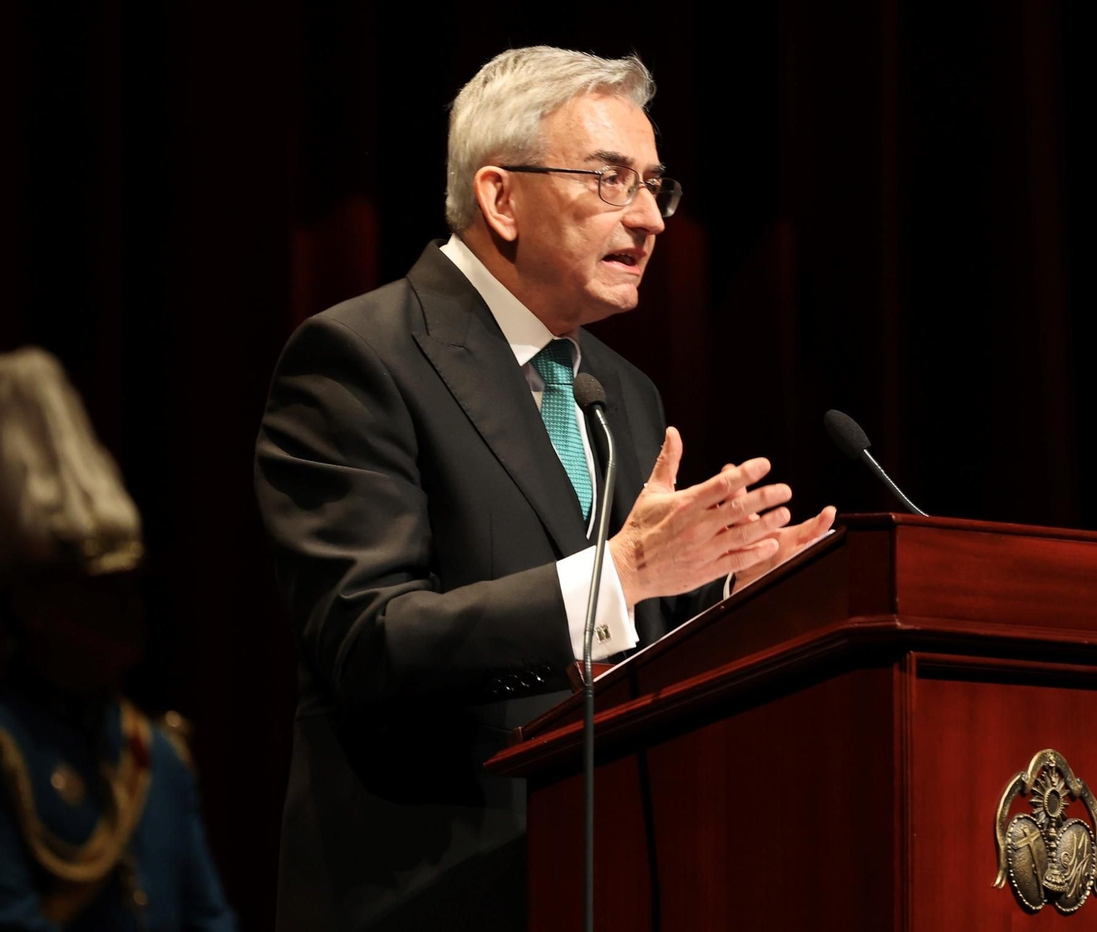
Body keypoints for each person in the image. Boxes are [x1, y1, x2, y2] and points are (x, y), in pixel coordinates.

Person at [254, 46, 834, 931]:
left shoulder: (622, 391)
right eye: (611, 180)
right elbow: (368, 638)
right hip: (431, 897)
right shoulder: (359, 359)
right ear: (499, 197)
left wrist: (729, 601)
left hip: (612, 880)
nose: (649, 220)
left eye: (654, 185)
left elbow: (627, 638)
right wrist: (628, 572)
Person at [0, 347, 237, 931]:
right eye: (100, 592)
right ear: (37, 606)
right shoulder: (8, 751)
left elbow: (209, 918)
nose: (129, 611)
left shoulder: (155, 754)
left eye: (131, 588)